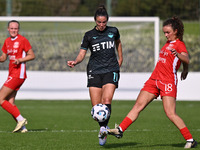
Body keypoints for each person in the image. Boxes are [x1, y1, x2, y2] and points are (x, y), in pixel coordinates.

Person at [107, 16, 197, 149]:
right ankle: (120, 129)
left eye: (168, 32)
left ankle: (190, 139)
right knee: (138, 106)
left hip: (168, 82)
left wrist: (179, 57)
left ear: (176, 31)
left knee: (170, 113)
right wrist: (185, 70)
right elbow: (182, 63)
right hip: (153, 80)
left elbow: (186, 58)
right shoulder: (167, 43)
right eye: (164, 32)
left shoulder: (179, 44)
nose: (165, 35)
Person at [67, 5, 123, 146]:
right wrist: (75, 61)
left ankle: (103, 130)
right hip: (94, 70)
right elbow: (82, 53)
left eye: (104, 22)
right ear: (95, 21)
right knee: (96, 107)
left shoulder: (113, 31)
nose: (102, 24)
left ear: (107, 21)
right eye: (99, 22)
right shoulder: (89, 35)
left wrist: (120, 58)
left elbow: (118, 43)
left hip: (111, 69)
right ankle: (102, 128)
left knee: (107, 99)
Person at [0, 20, 35, 133]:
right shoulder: (6, 41)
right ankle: (23, 128)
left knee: (0, 99)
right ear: (8, 29)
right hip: (12, 74)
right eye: (12, 28)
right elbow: (3, 58)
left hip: (18, 74)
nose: (14, 30)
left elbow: (32, 55)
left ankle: (21, 119)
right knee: (10, 103)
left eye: (16, 28)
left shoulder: (23, 40)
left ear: (18, 30)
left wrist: (20, 60)